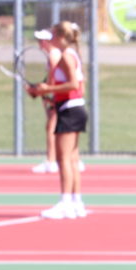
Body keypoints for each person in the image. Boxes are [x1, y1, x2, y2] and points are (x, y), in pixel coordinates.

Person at [27, 21, 88, 220]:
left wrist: (47, 90)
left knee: (64, 160)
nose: (50, 39)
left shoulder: (66, 57)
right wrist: (41, 92)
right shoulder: (71, 55)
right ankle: (77, 203)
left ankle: (66, 203)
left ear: (61, 38)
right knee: (71, 159)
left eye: (53, 35)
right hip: (73, 108)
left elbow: (73, 84)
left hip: (71, 110)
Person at [30, 30, 61, 174]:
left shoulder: (54, 54)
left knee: (52, 128)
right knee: (54, 128)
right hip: (54, 95)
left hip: (57, 96)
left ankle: (52, 161)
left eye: (42, 40)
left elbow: (55, 78)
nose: (40, 43)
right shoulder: (52, 54)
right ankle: (56, 159)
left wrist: (44, 90)